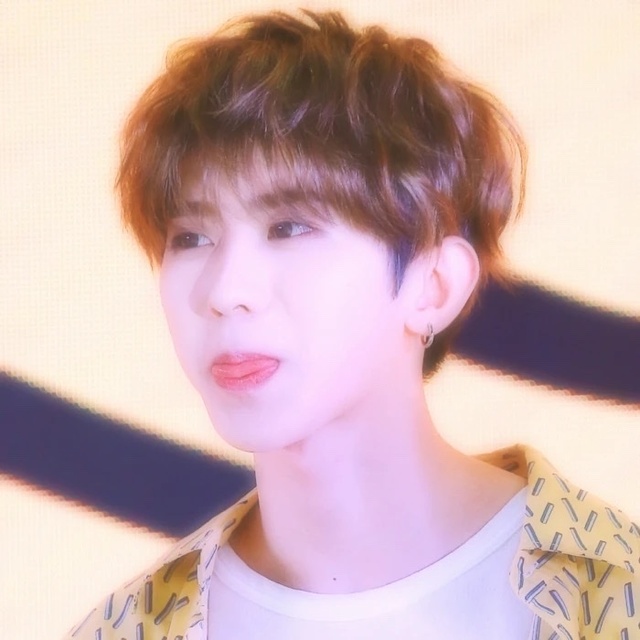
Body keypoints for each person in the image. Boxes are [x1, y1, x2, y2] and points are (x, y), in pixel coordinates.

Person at [64, 10, 639, 639]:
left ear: (434, 285)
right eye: (191, 238)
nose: (225, 292)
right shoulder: (130, 628)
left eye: (289, 227)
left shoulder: (615, 590)